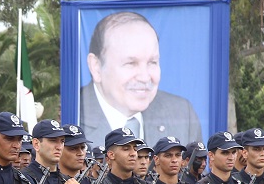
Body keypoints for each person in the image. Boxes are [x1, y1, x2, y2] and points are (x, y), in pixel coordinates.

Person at [79, 11, 201, 147]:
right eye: (131, 63)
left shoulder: (182, 115)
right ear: (96, 67)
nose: (144, 77)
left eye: (152, 62)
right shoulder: (71, 115)